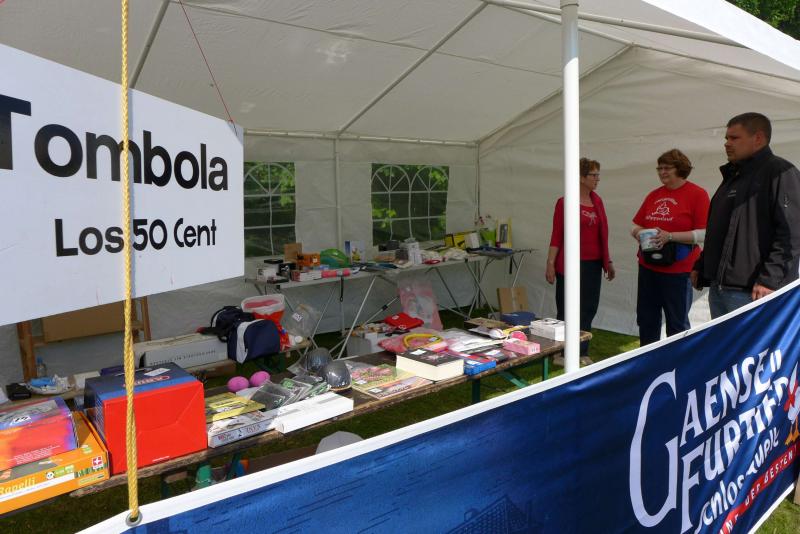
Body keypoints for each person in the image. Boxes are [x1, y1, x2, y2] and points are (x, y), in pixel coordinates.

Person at [691, 112, 800, 317]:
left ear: (758, 138)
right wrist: (702, 265)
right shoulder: (733, 176)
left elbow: (792, 234)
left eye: (734, 138)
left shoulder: (780, 172)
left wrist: (770, 279)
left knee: (755, 340)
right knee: (725, 340)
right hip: (720, 288)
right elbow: (718, 229)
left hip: (755, 292)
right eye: (726, 138)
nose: (727, 143)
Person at [632, 149, 710, 346]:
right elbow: (635, 225)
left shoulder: (697, 194)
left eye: (667, 168)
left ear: (680, 168)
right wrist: (641, 234)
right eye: (659, 168)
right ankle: (648, 358)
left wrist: (670, 236)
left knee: (677, 323)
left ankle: (677, 360)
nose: (662, 172)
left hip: (679, 271)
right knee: (646, 319)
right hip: (648, 267)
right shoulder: (654, 194)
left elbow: (704, 233)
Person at [546, 158, 615, 360]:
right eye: (594, 175)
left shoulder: (597, 201)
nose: (598, 179)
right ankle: (561, 352)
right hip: (569, 264)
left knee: (588, 308)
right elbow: (556, 236)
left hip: (593, 264)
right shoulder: (564, 202)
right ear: (581, 177)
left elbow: (603, 235)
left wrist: (608, 261)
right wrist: (550, 263)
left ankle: (581, 351)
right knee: (566, 308)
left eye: (598, 175)